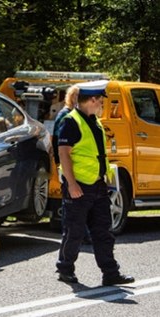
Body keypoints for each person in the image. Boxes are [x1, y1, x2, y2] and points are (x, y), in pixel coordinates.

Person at [55, 80, 135, 286]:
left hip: (98, 185)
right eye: (100, 100)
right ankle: (65, 269)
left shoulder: (94, 120)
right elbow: (64, 153)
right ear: (92, 99)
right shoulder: (71, 121)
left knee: (103, 231)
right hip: (79, 186)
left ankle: (110, 273)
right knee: (74, 230)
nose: (102, 104)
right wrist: (71, 184)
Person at [53, 85, 92, 245]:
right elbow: (58, 142)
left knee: (79, 202)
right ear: (71, 97)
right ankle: (71, 236)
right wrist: (58, 163)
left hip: (77, 165)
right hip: (66, 163)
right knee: (70, 202)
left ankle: (83, 233)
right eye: (77, 96)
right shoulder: (65, 115)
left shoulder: (78, 115)